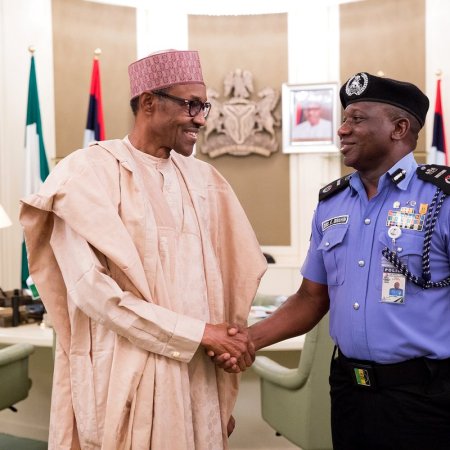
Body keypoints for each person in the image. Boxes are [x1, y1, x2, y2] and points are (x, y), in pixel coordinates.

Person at [19, 49, 267, 449]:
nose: (201, 119)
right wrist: (200, 334)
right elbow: (94, 294)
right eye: (190, 105)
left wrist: (219, 386)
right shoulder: (85, 175)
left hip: (198, 377)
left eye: (204, 106)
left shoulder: (207, 181)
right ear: (149, 102)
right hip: (123, 377)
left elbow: (231, 283)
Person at [215, 72, 450, 450]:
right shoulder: (332, 203)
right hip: (348, 392)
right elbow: (311, 299)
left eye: (357, 119)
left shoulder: (441, 199)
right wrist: (246, 342)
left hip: (424, 397)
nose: (342, 129)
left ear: (399, 128)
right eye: (343, 119)